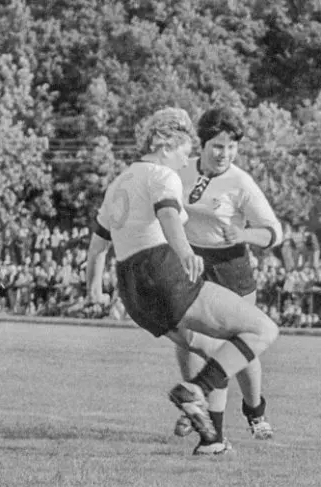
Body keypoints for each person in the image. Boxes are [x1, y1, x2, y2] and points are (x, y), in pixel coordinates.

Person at [84, 107, 280, 456]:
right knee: (263, 331)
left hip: (133, 290)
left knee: (213, 351)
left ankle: (212, 440)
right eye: (184, 149)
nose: (186, 157)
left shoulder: (120, 180)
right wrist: (186, 252)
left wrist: (94, 289)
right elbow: (169, 214)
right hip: (165, 273)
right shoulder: (164, 175)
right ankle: (198, 392)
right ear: (164, 144)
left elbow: (99, 243)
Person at [172, 107, 284, 441]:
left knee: (241, 348)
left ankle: (255, 411)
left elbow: (274, 232)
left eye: (232, 146)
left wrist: (246, 235)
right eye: (218, 146)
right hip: (192, 267)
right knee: (190, 343)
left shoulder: (240, 183)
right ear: (202, 144)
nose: (226, 154)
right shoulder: (179, 171)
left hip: (231, 271)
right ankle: (196, 405)